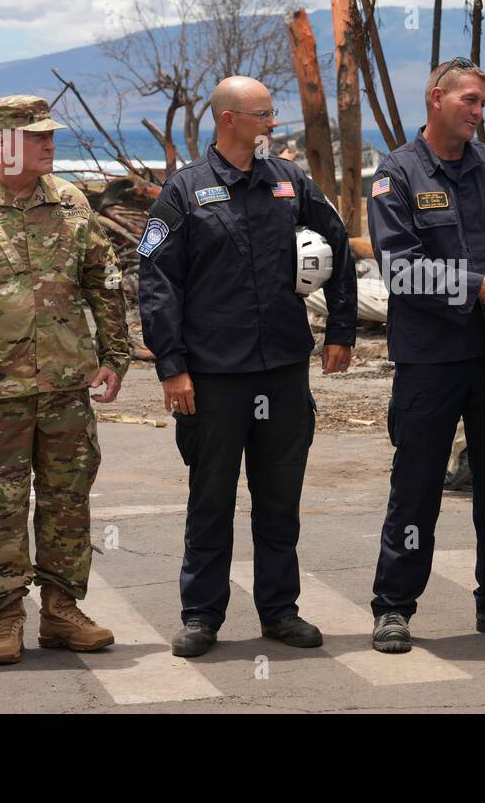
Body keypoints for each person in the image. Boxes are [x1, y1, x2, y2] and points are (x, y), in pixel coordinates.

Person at [138, 76, 357, 658]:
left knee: (279, 497)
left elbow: (336, 243)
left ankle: (280, 609)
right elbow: (157, 283)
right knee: (211, 498)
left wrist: (340, 330)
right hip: (213, 377)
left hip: (283, 369)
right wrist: (172, 366)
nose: (271, 124)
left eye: (271, 114)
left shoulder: (289, 182)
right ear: (229, 120)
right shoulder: (183, 193)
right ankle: (202, 616)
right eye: (262, 115)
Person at [0, 94, 131, 665]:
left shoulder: (69, 202)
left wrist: (115, 354)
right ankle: (5, 617)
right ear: (1, 142)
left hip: (66, 386)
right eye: (37, 136)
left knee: (68, 502)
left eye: (50, 135)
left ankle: (62, 611)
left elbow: (102, 281)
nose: (49, 144)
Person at [366, 58, 485, 655]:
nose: (478, 112)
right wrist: (478, 285)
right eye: (469, 101)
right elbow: (397, 268)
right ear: (436, 99)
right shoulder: (396, 175)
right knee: (417, 484)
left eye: (482, 103)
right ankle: (394, 606)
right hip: (430, 358)